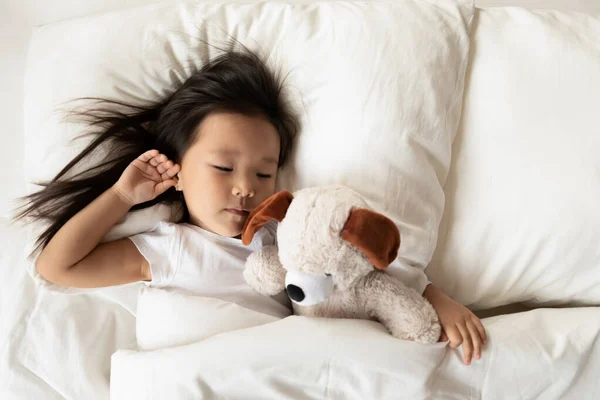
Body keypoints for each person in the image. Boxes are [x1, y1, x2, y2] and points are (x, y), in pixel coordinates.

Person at [15, 48, 485, 364]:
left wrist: (436, 299)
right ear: (178, 172)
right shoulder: (171, 249)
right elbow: (59, 267)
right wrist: (121, 197)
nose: (245, 189)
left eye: (264, 174)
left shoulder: (289, 238)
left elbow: (363, 274)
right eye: (223, 169)